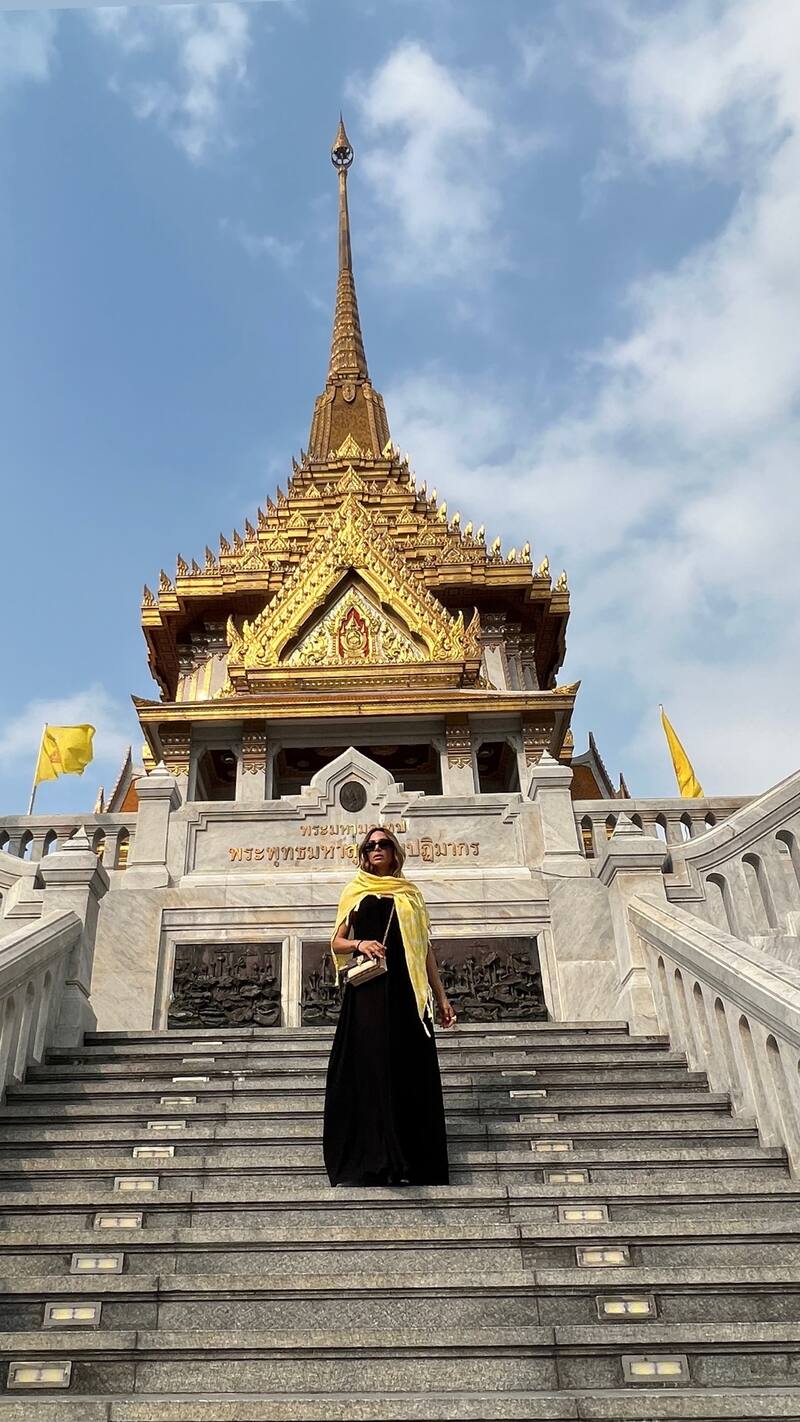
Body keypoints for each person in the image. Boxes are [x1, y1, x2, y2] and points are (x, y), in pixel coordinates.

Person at [323, 825, 456, 1187]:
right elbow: (336, 941)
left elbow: (424, 949)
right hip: (369, 992)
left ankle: (411, 1162)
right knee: (372, 1068)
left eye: (383, 844)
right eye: (370, 846)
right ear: (363, 854)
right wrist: (361, 944)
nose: (376, 850)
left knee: (406, 1069)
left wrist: (440, 997)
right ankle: (374, 1160)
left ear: (395, 851)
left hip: (406, 993)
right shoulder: (356, 892)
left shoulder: (411, 895)